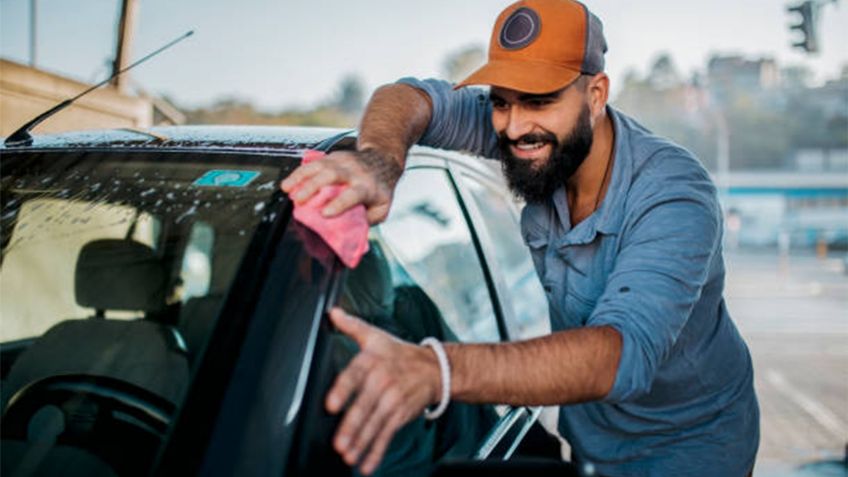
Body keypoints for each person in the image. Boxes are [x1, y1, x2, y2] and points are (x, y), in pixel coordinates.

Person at [280, 0, 760, 475]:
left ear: (595, 96)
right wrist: (380, 161)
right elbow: (406, 96)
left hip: (694, 444)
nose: (512, 126)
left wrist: (436, 370)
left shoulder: (674, 194)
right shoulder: (538, 140)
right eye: (501, 102)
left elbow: (620, 355)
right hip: (593, 438)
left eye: (539, 99)